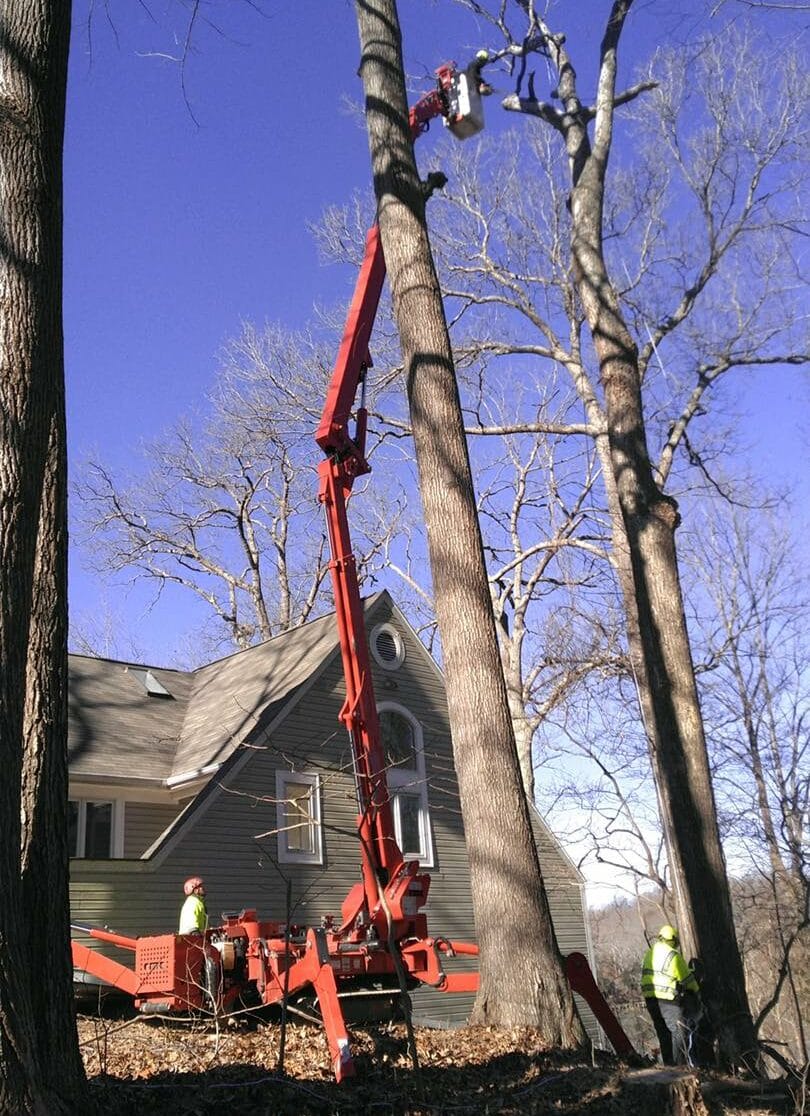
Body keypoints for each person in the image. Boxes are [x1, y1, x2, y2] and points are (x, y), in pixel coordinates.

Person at [641, 924, 701, 1066]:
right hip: (667, 1001)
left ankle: (668, 1064)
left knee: (663, 1033)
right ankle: (679, 1065)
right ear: (673, 939)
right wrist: (696, 990)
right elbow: (687, 980)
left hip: (650, 1000)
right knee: (680, 1032)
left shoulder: (650, 953)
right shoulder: (673, 955)